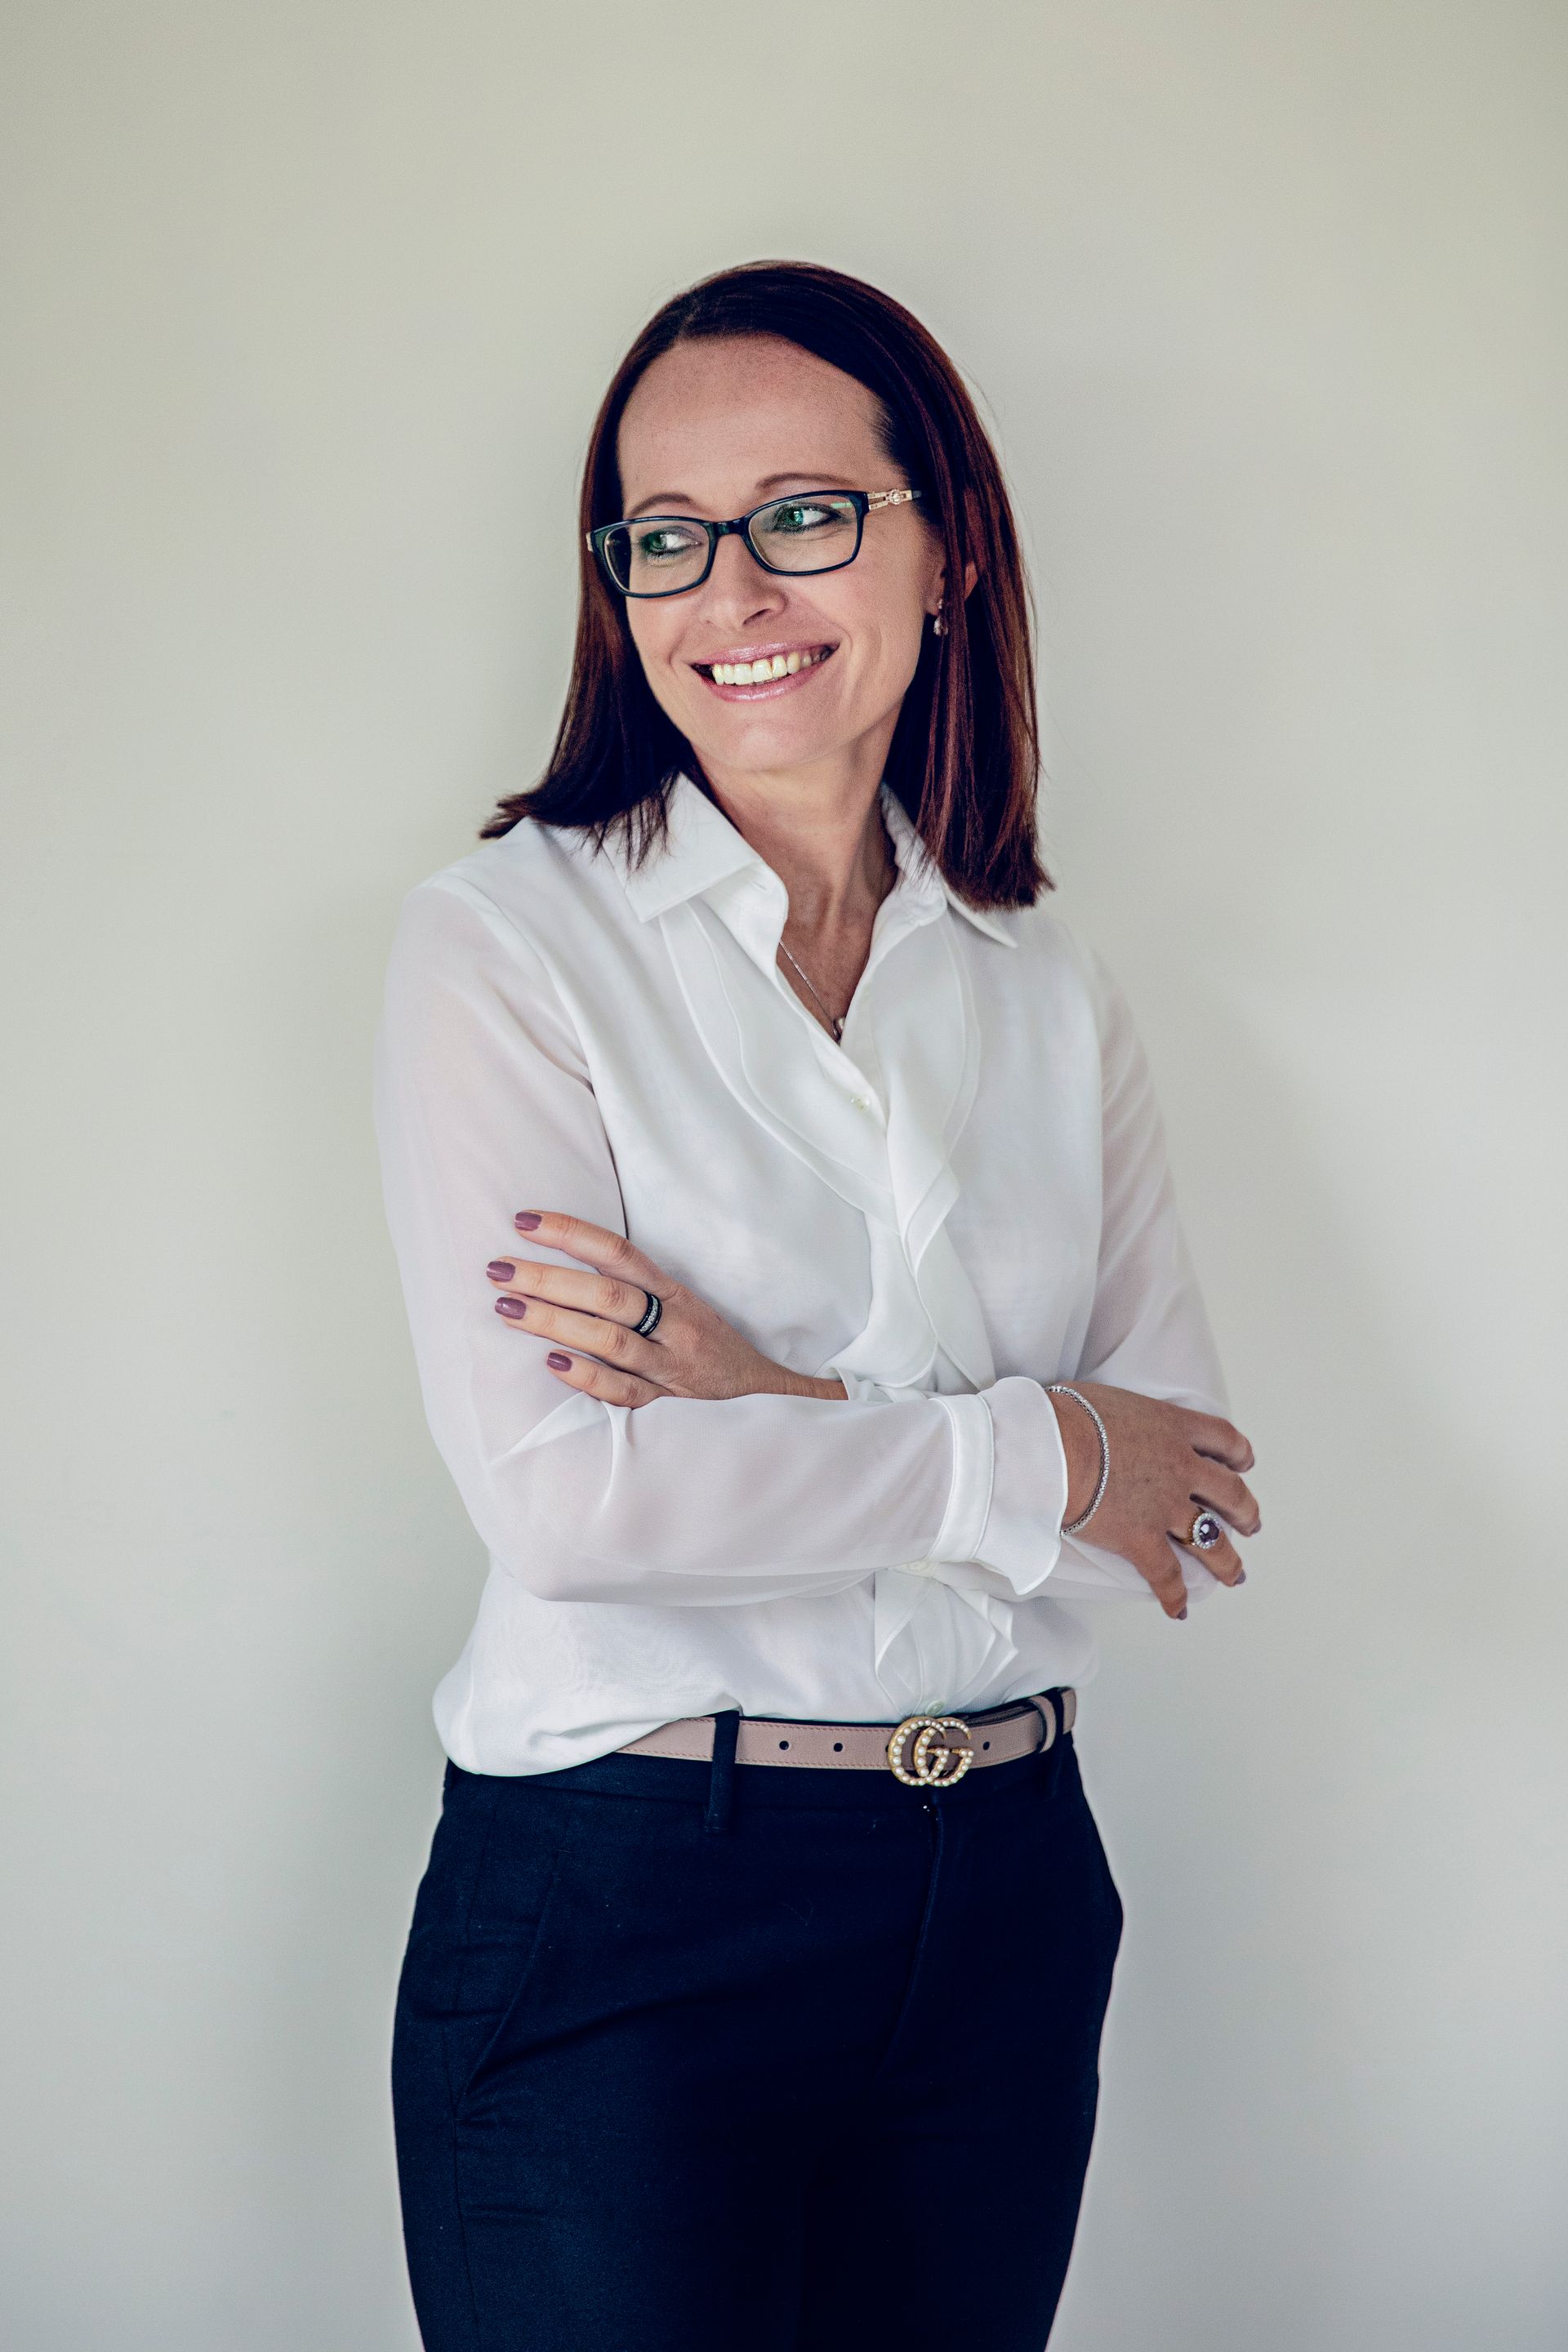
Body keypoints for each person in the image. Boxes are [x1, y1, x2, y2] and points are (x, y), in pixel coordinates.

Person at [372, 257, 1258, 2352]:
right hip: (626, 1910)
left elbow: (1183, 1519)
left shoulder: (1048, 987)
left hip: (1009, 1899)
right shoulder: (504, 950)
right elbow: (574, 1518)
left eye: (803, 513)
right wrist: (1035, 1445)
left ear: (943, 547)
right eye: (665, 537)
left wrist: (755, 1389)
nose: (732, 589)